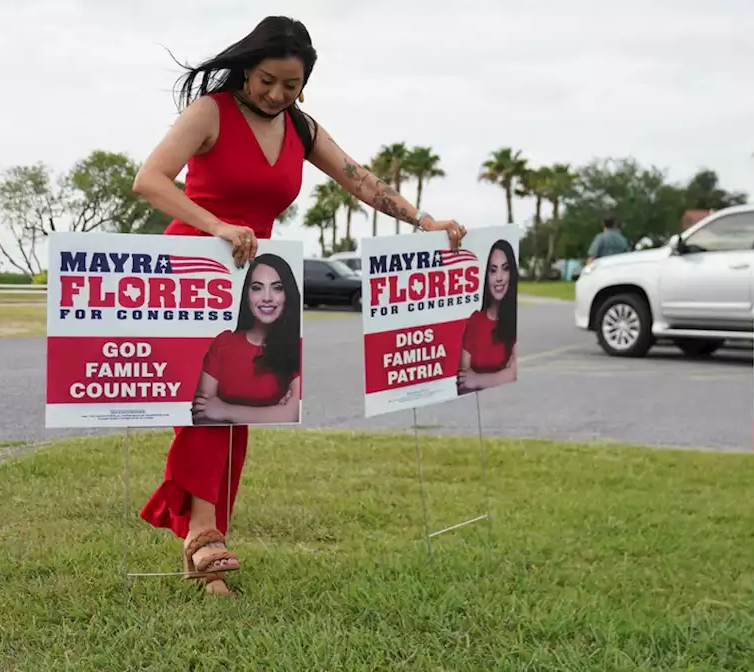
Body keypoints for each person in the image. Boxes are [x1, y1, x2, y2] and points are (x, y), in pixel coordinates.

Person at [131, 15, 468, 598]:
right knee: (216, 400)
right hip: (197, 263)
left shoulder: (301, 129)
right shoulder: (211, 111)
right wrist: (216, 225)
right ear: (246, 69)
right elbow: (150, 180)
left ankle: (203, 541)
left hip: (259, 274)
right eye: (267, 81)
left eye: (291, 86)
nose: (276, 95)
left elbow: (360, 180)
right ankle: (205, 538)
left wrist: (423, 221)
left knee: (241, 408)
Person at [191, 253, 302, 426]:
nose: (267, 297)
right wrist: (272, 413)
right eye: (257, 288)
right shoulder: (224, 343)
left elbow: (292, 414)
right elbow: (202, 414)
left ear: (288, 294)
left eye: (277, 288)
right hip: (220, 441)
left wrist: (224, 410)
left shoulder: (297, 347)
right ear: (247, 295)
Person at [456, 239, 518, 394]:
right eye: (493, 270)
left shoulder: (517, 319)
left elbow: (515, 373)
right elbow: (464, 381)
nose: (499, 277)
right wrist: (502, 375)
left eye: (505, 269)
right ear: (487, 276)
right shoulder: (475, 321)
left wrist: (478, 379)